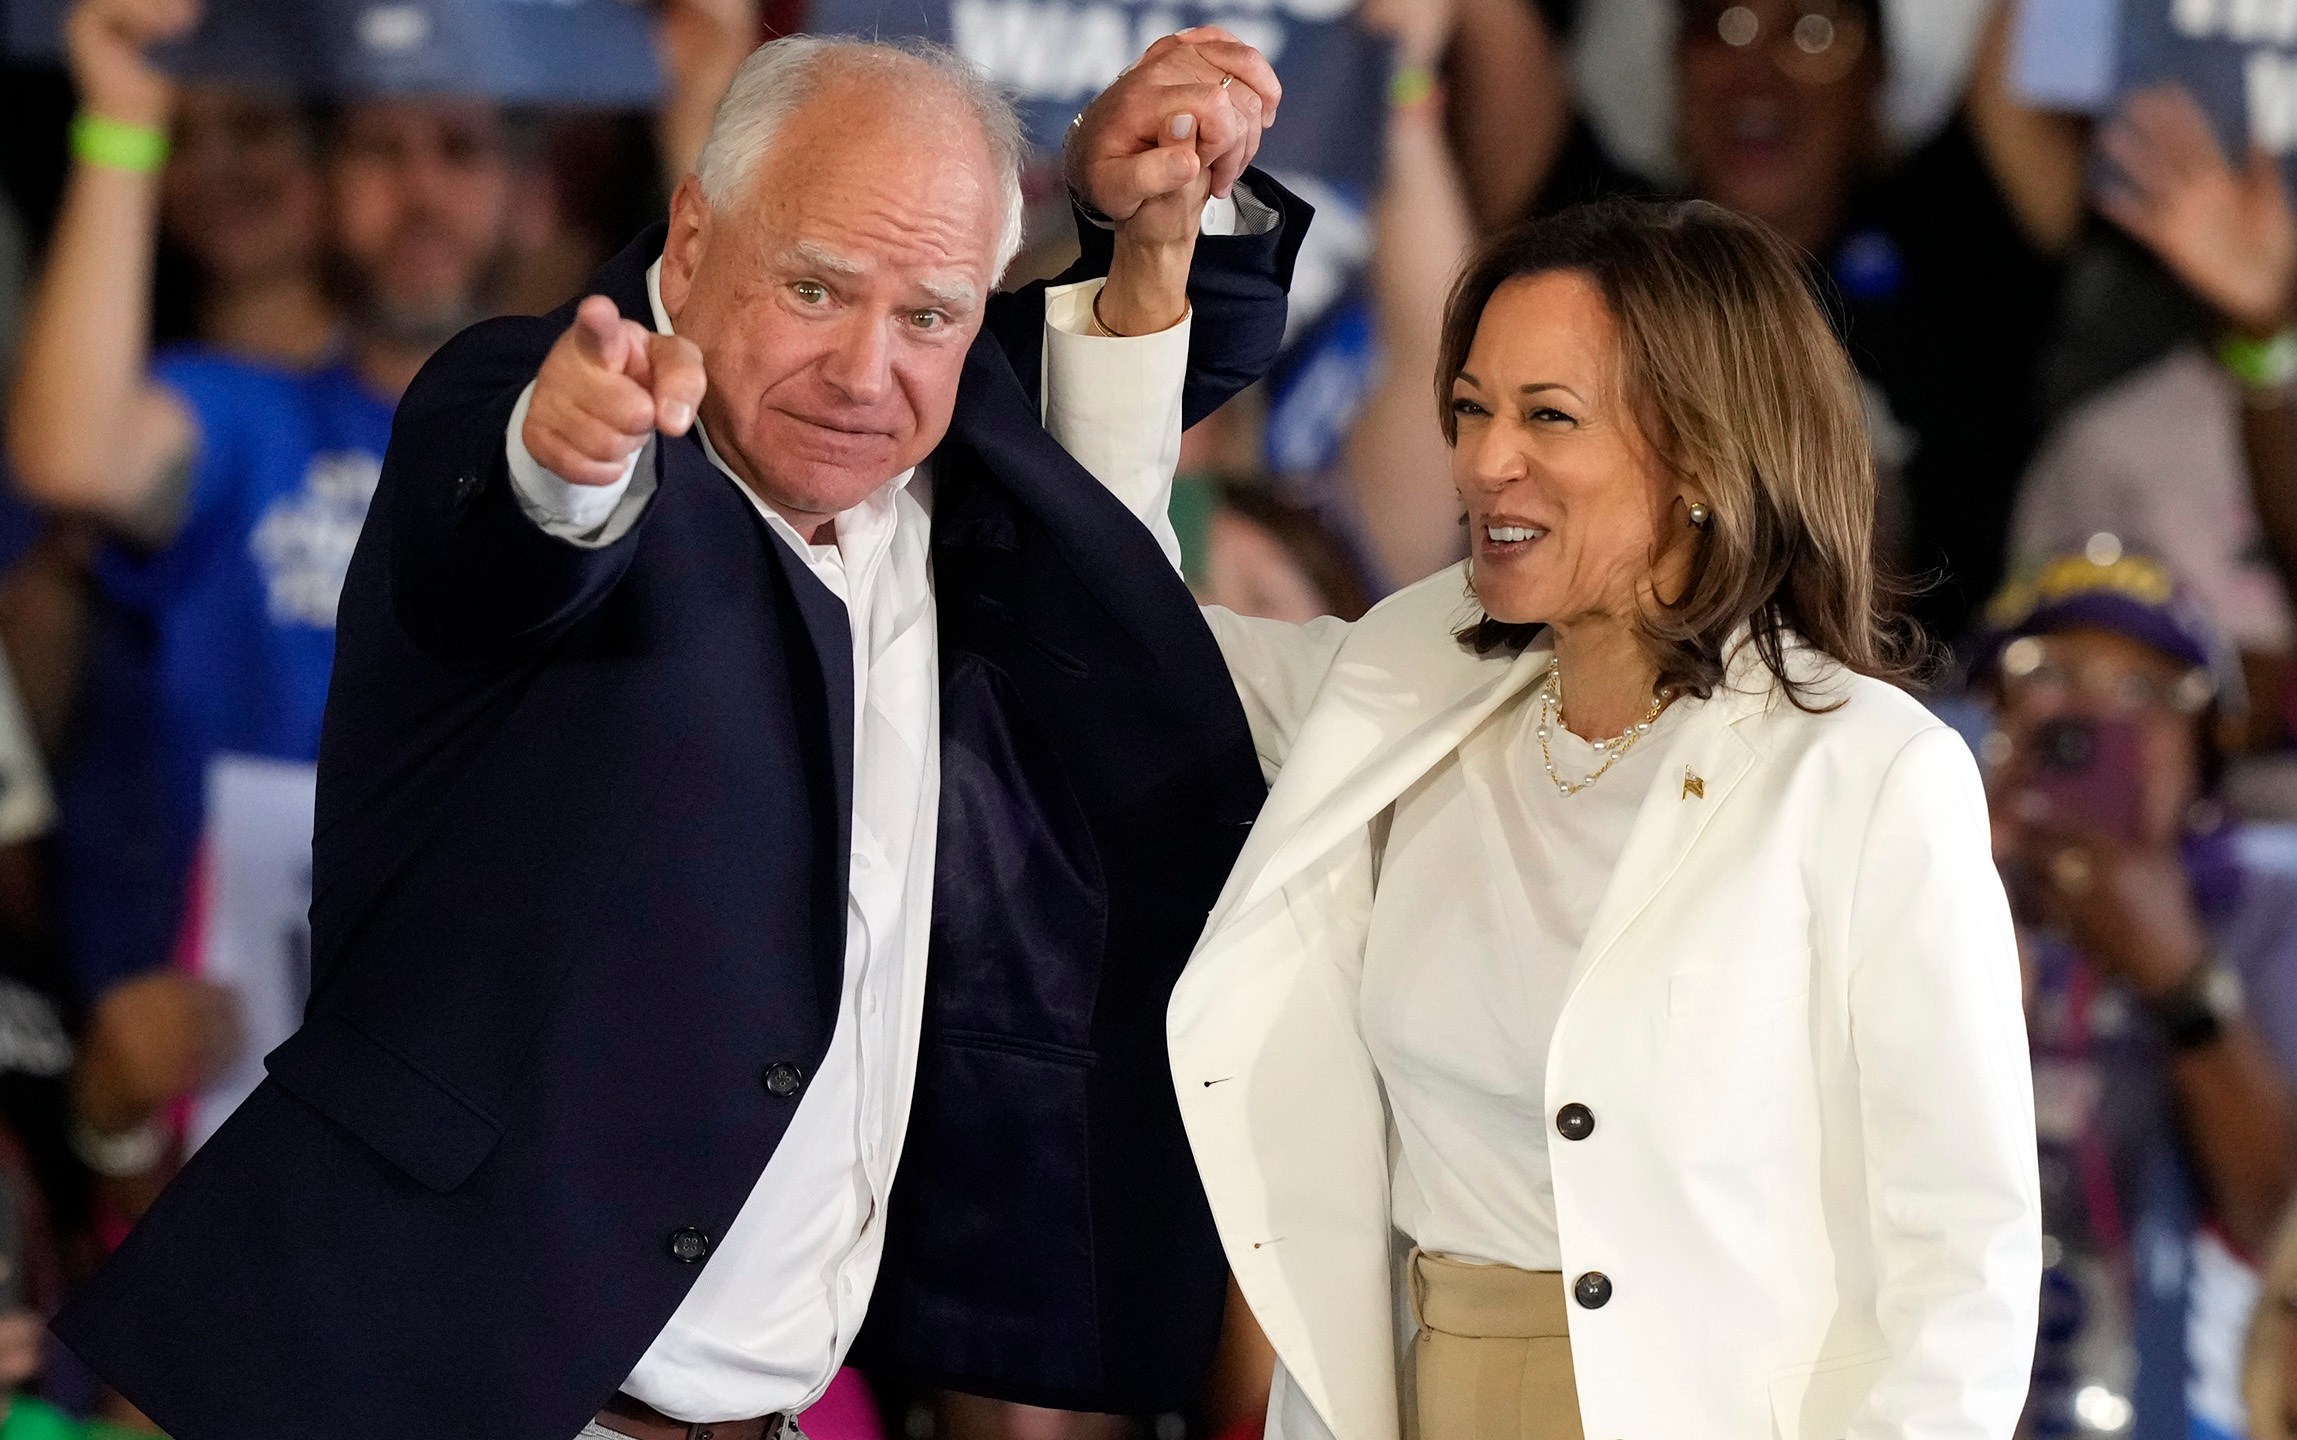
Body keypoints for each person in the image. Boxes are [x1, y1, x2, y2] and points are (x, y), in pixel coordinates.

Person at [53, 27, 1310, 1440]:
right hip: (433, 1391)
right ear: (696, 235)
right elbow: (517, 521)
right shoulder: (528, 399)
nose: (864, 370)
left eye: (929, 316)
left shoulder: (933, 456)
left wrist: (1136, 210)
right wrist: (568, 460)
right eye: (814, 288)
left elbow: (1139, 366)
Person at [1164, 198, 2039, 1440]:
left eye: (1546, 417)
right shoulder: (1399, 693)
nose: (1482, 462)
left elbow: (1962, 1254)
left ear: (1702, 457)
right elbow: (1117, 631)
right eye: (1470, 408)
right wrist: (1132, 301)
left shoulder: (1867, 772)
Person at [1347, 0, 2084, 646]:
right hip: (1614, 686)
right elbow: (1516, 96)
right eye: (1719, 26)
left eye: (1814, 30)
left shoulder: (1955, 247)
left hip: (1926, 699)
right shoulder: (1602, 248)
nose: (1756, 70)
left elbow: (2019, 86)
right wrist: (1404, 63)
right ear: (1671, 66)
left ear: (1879, 76)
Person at [1972, 547, 2297, 1438]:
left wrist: (2177, 975)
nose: (2091, 713)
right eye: (2048, 676)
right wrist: (1959, 903)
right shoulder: (1921, 890)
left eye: (2147, 692)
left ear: (2203, 754)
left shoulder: (2269, 910)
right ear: (1988, 719)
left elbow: (2278, 1230)